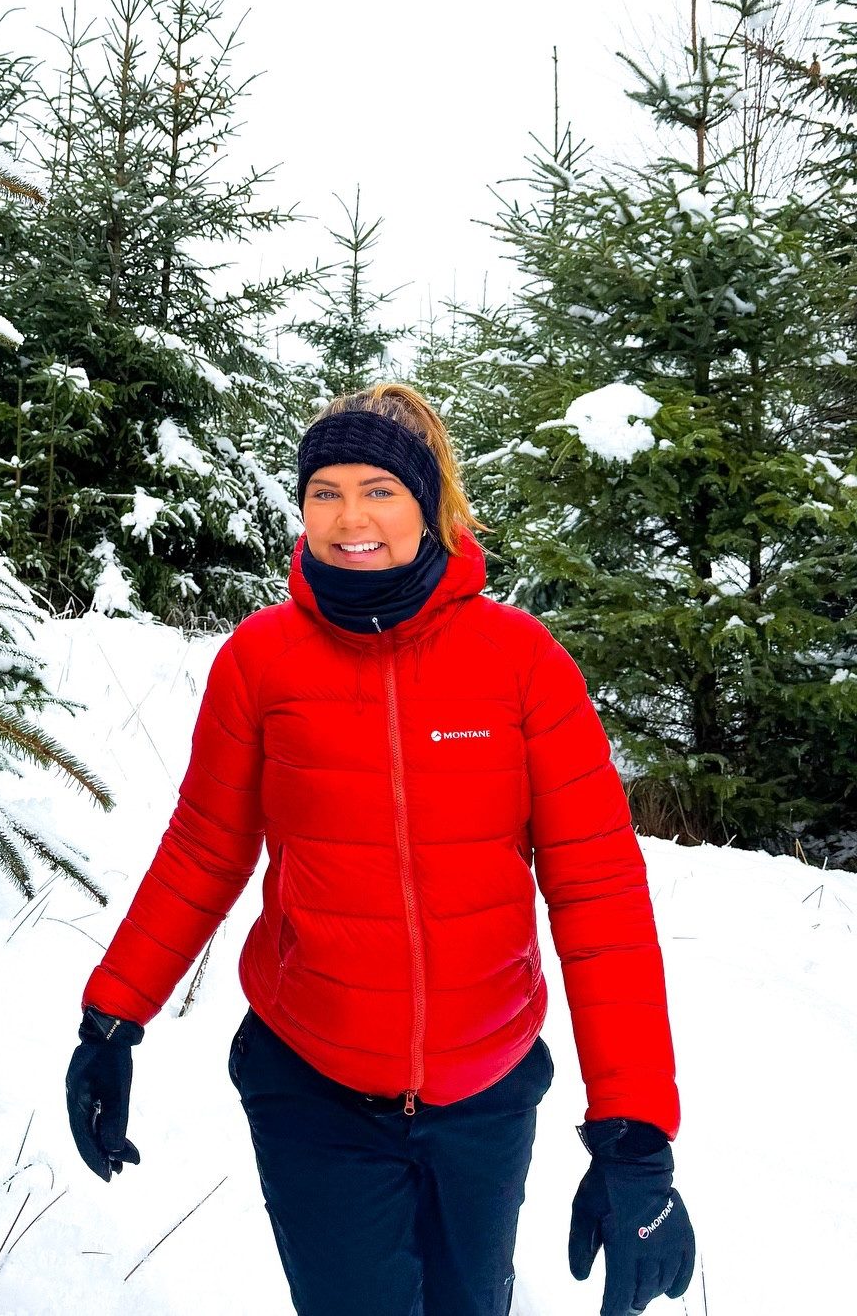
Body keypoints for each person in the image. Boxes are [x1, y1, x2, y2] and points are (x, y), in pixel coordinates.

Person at [65, 384, 696, 1316]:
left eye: (379, 490)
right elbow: (204, 848)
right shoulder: (261, 662)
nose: (349, 517)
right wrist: (112, 1019)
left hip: (485, 1096)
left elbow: (599, 894)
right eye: (324, 490)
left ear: (430, 503)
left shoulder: (521, 663)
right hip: (313, 1090)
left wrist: (635, 1135)